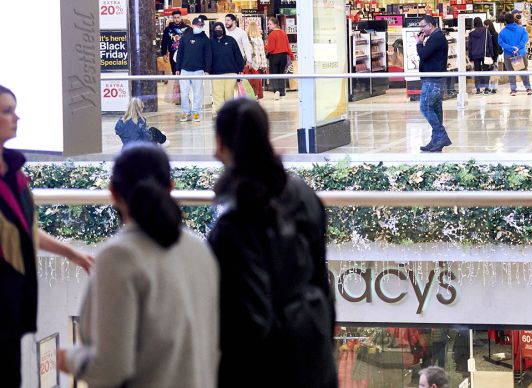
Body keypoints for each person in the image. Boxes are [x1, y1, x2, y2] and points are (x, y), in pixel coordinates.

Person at [59, 145, 219, 388]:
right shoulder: (200, 251)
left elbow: (111, 367)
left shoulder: (118, 257)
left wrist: (69, 359)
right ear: (170, 188)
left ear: (112, 192)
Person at [207, 99, 337, 388]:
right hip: (313, 353)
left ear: (219, 143)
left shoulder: (234, 222)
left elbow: (243, 322)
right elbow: (322, 281)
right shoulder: (303, 194)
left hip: (265, 366)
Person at [1, 86, 94, 386]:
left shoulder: (14, 171)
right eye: (6, 111)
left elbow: (24, 230)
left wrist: (71, 253)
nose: (16, 117)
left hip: (13, 298)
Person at [416, 16, 452, 153]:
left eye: (423, 26)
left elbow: (423, 54)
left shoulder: (436, 38)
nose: (421, 30)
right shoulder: (436, 37)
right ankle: (435, 140)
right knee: (436, 110)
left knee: (425, 107)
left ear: (430, 25)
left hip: (433, 79)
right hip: (435, 78)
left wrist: (419, 43)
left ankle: (441, 135)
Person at [177, 16, 212, 122]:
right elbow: (180, 53)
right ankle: (185, 112)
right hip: (185, 69)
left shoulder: (205, 39)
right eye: (197, 25)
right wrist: (178, 68)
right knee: (184, 93)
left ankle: (196, 112)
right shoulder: (185, 37)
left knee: (197, 93)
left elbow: (208, 55)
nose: (199, 27)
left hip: (198, 70)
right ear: (193, 25)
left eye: (201, 25)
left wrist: (207, 70)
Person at [210, 21, 245, 110]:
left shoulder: (230, 40)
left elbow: (238, 55)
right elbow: (207, 57)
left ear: (223, 30)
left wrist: (240, 69)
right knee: (217, 95)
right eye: (216, 29)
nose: (218, 30)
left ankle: (229, 114)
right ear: (213, 30)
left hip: (231, 72)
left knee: (229, 95)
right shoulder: (210, 42)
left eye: (220, 29)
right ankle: (219, 114)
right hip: (216, 74)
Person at [498, 13, 532, 96]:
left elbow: (500, 42)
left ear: (505, 21)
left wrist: (511, 48)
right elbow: (525, 38)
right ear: (514, 20)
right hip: (520, 53)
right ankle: (528, 88)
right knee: (523, 71)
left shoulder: (502, 32)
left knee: (511, 72)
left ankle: (513, 90)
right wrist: (518, 47)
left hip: (508, 54)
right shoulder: (521, 29)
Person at [264, 16, 293, 97]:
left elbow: (271, 48)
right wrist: (291, 56)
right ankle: (282, 92)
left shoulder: (272, 34)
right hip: (283, 56)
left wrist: (265, 46)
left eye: (270, 24)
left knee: (274, 74)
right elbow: (288, 46)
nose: (268, 25)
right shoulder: (283, 33)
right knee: (281, 74)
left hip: (274, 57)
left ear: (275, 24)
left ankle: (276, 92)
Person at [466, 20, 495, 94]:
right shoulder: (486, 31)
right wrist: (491, 54)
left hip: (475, 55)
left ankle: (478, 88)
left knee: (477, 71)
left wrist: (470, 56)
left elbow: (470, 45)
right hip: (485, 54)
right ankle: (486, 88)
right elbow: (489, 43)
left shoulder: (471, 33)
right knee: (486, 71)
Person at [160, 9, 187, 74]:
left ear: (181, 17)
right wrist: (164, 53)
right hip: (172, 53)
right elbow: (164, 42)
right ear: (172, 18)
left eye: (178, 17)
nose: (176, 19)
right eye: (175, 18)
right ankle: (177, 83)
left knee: (184, 72)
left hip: (185, 54)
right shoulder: (168, 29)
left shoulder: (187, 29)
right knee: (175, 72)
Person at [244, 22, 267, 99]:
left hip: (248, 62)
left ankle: (249, 94)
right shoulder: (259, 39)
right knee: (257, 80)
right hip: (257, 62)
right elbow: (262, 53)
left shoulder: (245, 38)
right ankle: (256, 94)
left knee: (249, 80)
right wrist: (264, 64)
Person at [484, 18, 501, 93]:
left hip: (493, 56)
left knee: (493, 72)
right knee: (489, 72)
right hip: (489, 56)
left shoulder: (494, 34)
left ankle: (493, 88)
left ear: (488, 25)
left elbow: (496, 47)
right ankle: (490, 87)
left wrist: (495, 59)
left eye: (485, 25)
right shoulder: (488, 34)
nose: (484, 27)